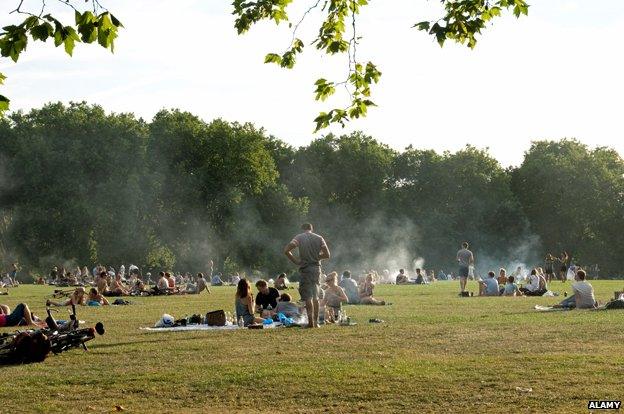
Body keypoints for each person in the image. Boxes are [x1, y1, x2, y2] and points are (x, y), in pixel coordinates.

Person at [284, 223, 330, 328]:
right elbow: (327, 255)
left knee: (308, 297)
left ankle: (310, 323)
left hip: (305, 269)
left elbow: (286, 250)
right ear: (311, 229)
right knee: (316, 296)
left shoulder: (299, 237)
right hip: (316, 269)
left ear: (303, 229)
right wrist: (316, 257)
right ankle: (316, 322)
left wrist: (296, 261)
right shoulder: (319, 238)